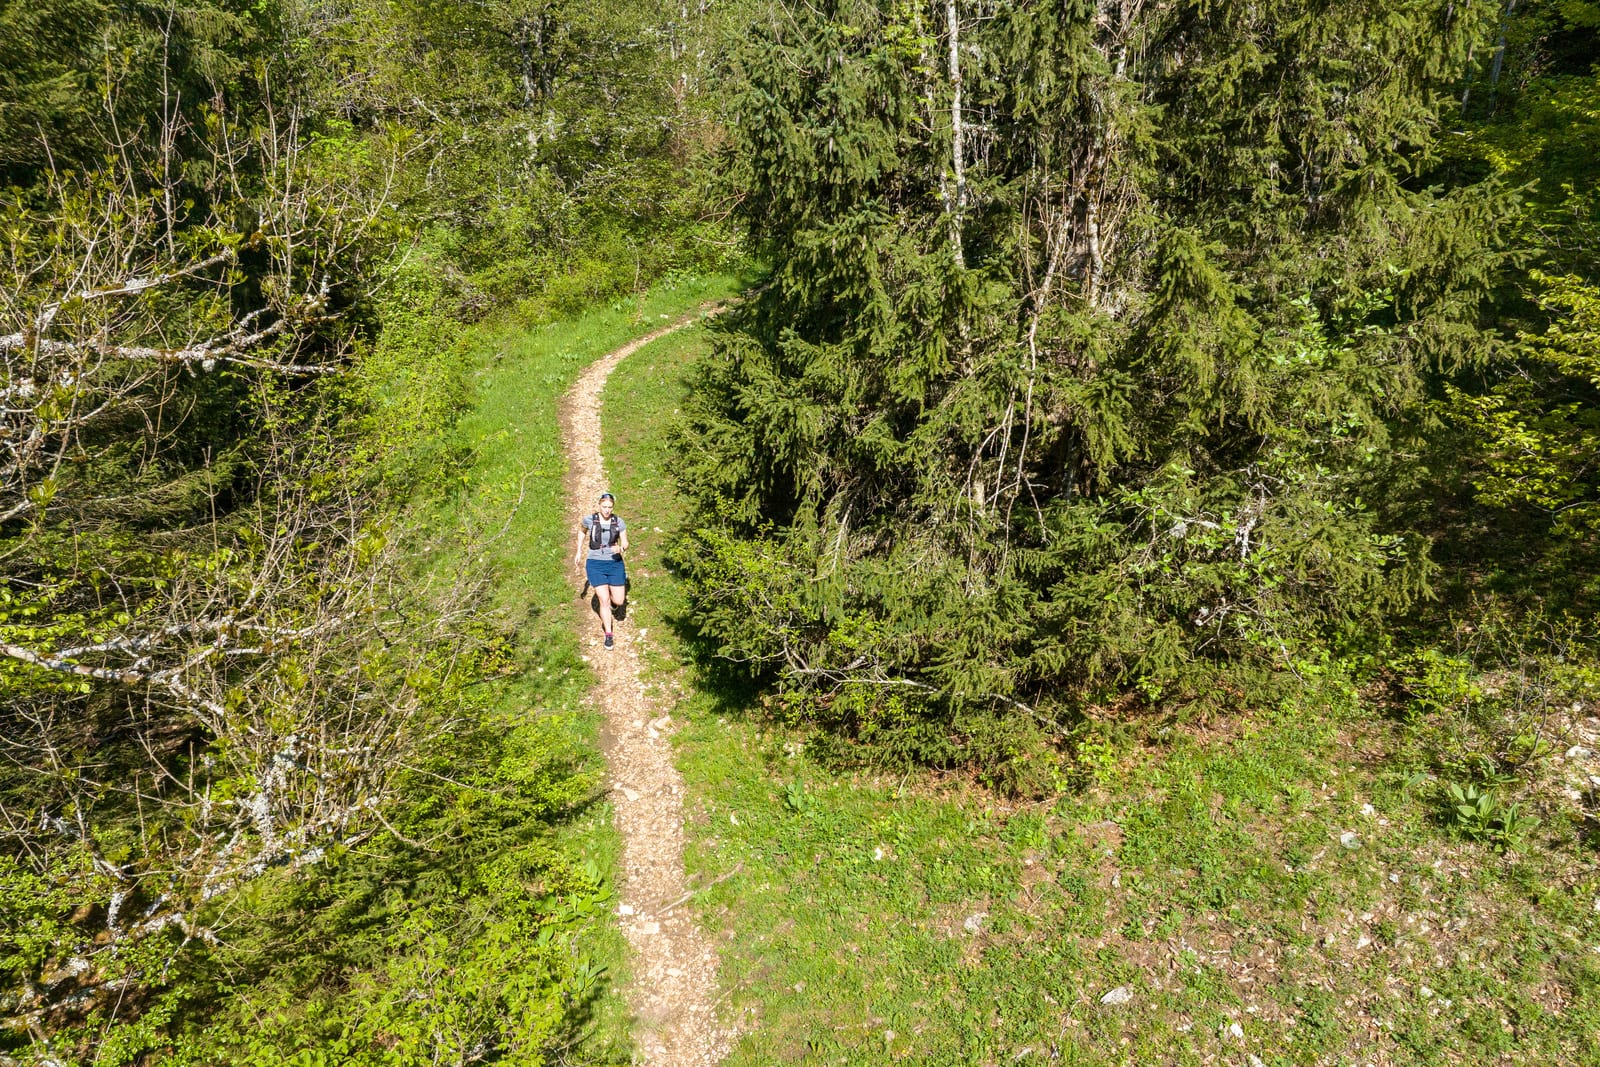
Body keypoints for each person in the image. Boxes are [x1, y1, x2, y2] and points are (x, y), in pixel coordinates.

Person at [576, 491, 628, 649]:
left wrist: (621, 548)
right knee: (603, 600)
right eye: (604, 507)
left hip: (615, 563)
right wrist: (578, 550)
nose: (607, 510)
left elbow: (625, 542)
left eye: (610, 507)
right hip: (595, 563)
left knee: (618, 600)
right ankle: (608, 635)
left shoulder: (619, 522)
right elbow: (581, 531)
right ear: (599, 505)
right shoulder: (589, 520)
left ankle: (614, 604)